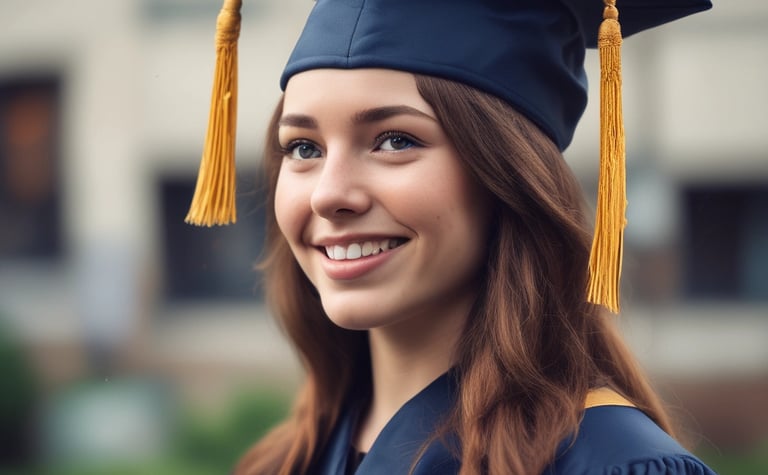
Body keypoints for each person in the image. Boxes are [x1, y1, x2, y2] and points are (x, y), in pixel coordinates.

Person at [186, 0, 718, 473]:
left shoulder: (610, 462)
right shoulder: (284, 460)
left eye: (395, 140)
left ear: (508, 176)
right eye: (303, 148)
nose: (328, 195)